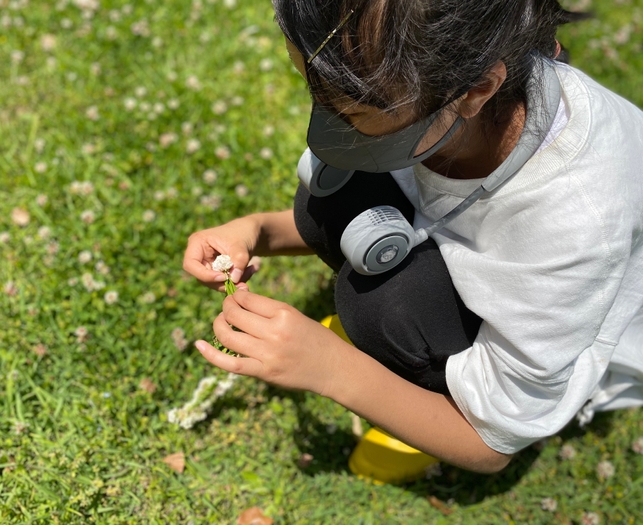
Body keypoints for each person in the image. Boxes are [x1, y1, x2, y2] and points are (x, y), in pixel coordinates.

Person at [182, 0, 643, 474]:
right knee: (330, 195)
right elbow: (418, 199)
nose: (328, 123)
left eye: (353, 107)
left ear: (477, 89)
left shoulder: (576, 220)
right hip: (464, 231)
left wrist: (331, 369)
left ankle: (426, 406)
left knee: (388, 306)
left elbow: (493, 446)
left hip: (548, 333)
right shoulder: (437, 100)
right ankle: (399, 360)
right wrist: (256, 232)